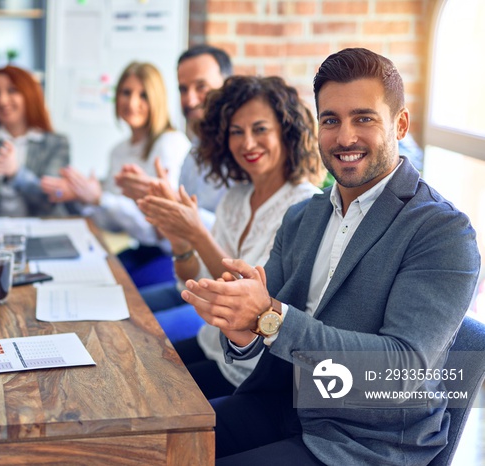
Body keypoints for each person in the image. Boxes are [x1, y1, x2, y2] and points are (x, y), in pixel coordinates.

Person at [181, 48, 481, 464]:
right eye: (331, 120)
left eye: (364, 118)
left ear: (401, 124)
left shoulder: (443, 231)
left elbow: (399, 371)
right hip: (279, 404)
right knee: (157, 447)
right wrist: (239, 323)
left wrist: (270, 317)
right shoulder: (304, 215)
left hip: (362, 438)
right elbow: (262, 330)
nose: (344, 138)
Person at [138, 76, 325, 394]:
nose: (247, 143)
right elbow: (192, 282)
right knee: (133, 368)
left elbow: (249, 300)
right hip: (212, 344)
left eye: (260, 129)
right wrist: (181, 241)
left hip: (251, 370)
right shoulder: (235, 197)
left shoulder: (304, 206)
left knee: (149, 391)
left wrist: (198, 233)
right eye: (236, 132)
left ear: (286, 131)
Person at [112, 45, 233, 289]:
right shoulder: (193, 154)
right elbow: (175, 241)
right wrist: (164, 207)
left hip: (219, 283)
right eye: (183, 89)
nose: (190, 99)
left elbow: (232, 233)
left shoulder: (240, 154)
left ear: (228, 87)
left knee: (127, 303)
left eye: (202, 87)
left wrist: (172, 208)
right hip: (191, 275)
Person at [40, 62, 189, 242]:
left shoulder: (170, 143)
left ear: (157, 100)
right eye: (126, 93)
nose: (132, 103)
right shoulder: (118, 151)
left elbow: (156, 233)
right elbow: (113, 225)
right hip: (138, 247)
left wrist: (100, 199)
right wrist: (83, 197)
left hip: (170, 253)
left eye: (143, 95)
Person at [0, 65, 72, 217]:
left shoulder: (56, 144)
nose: (2, 101)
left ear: (29, 94)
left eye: (12, 91)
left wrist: (16, 174)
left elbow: (51, 200)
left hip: (43, 234)